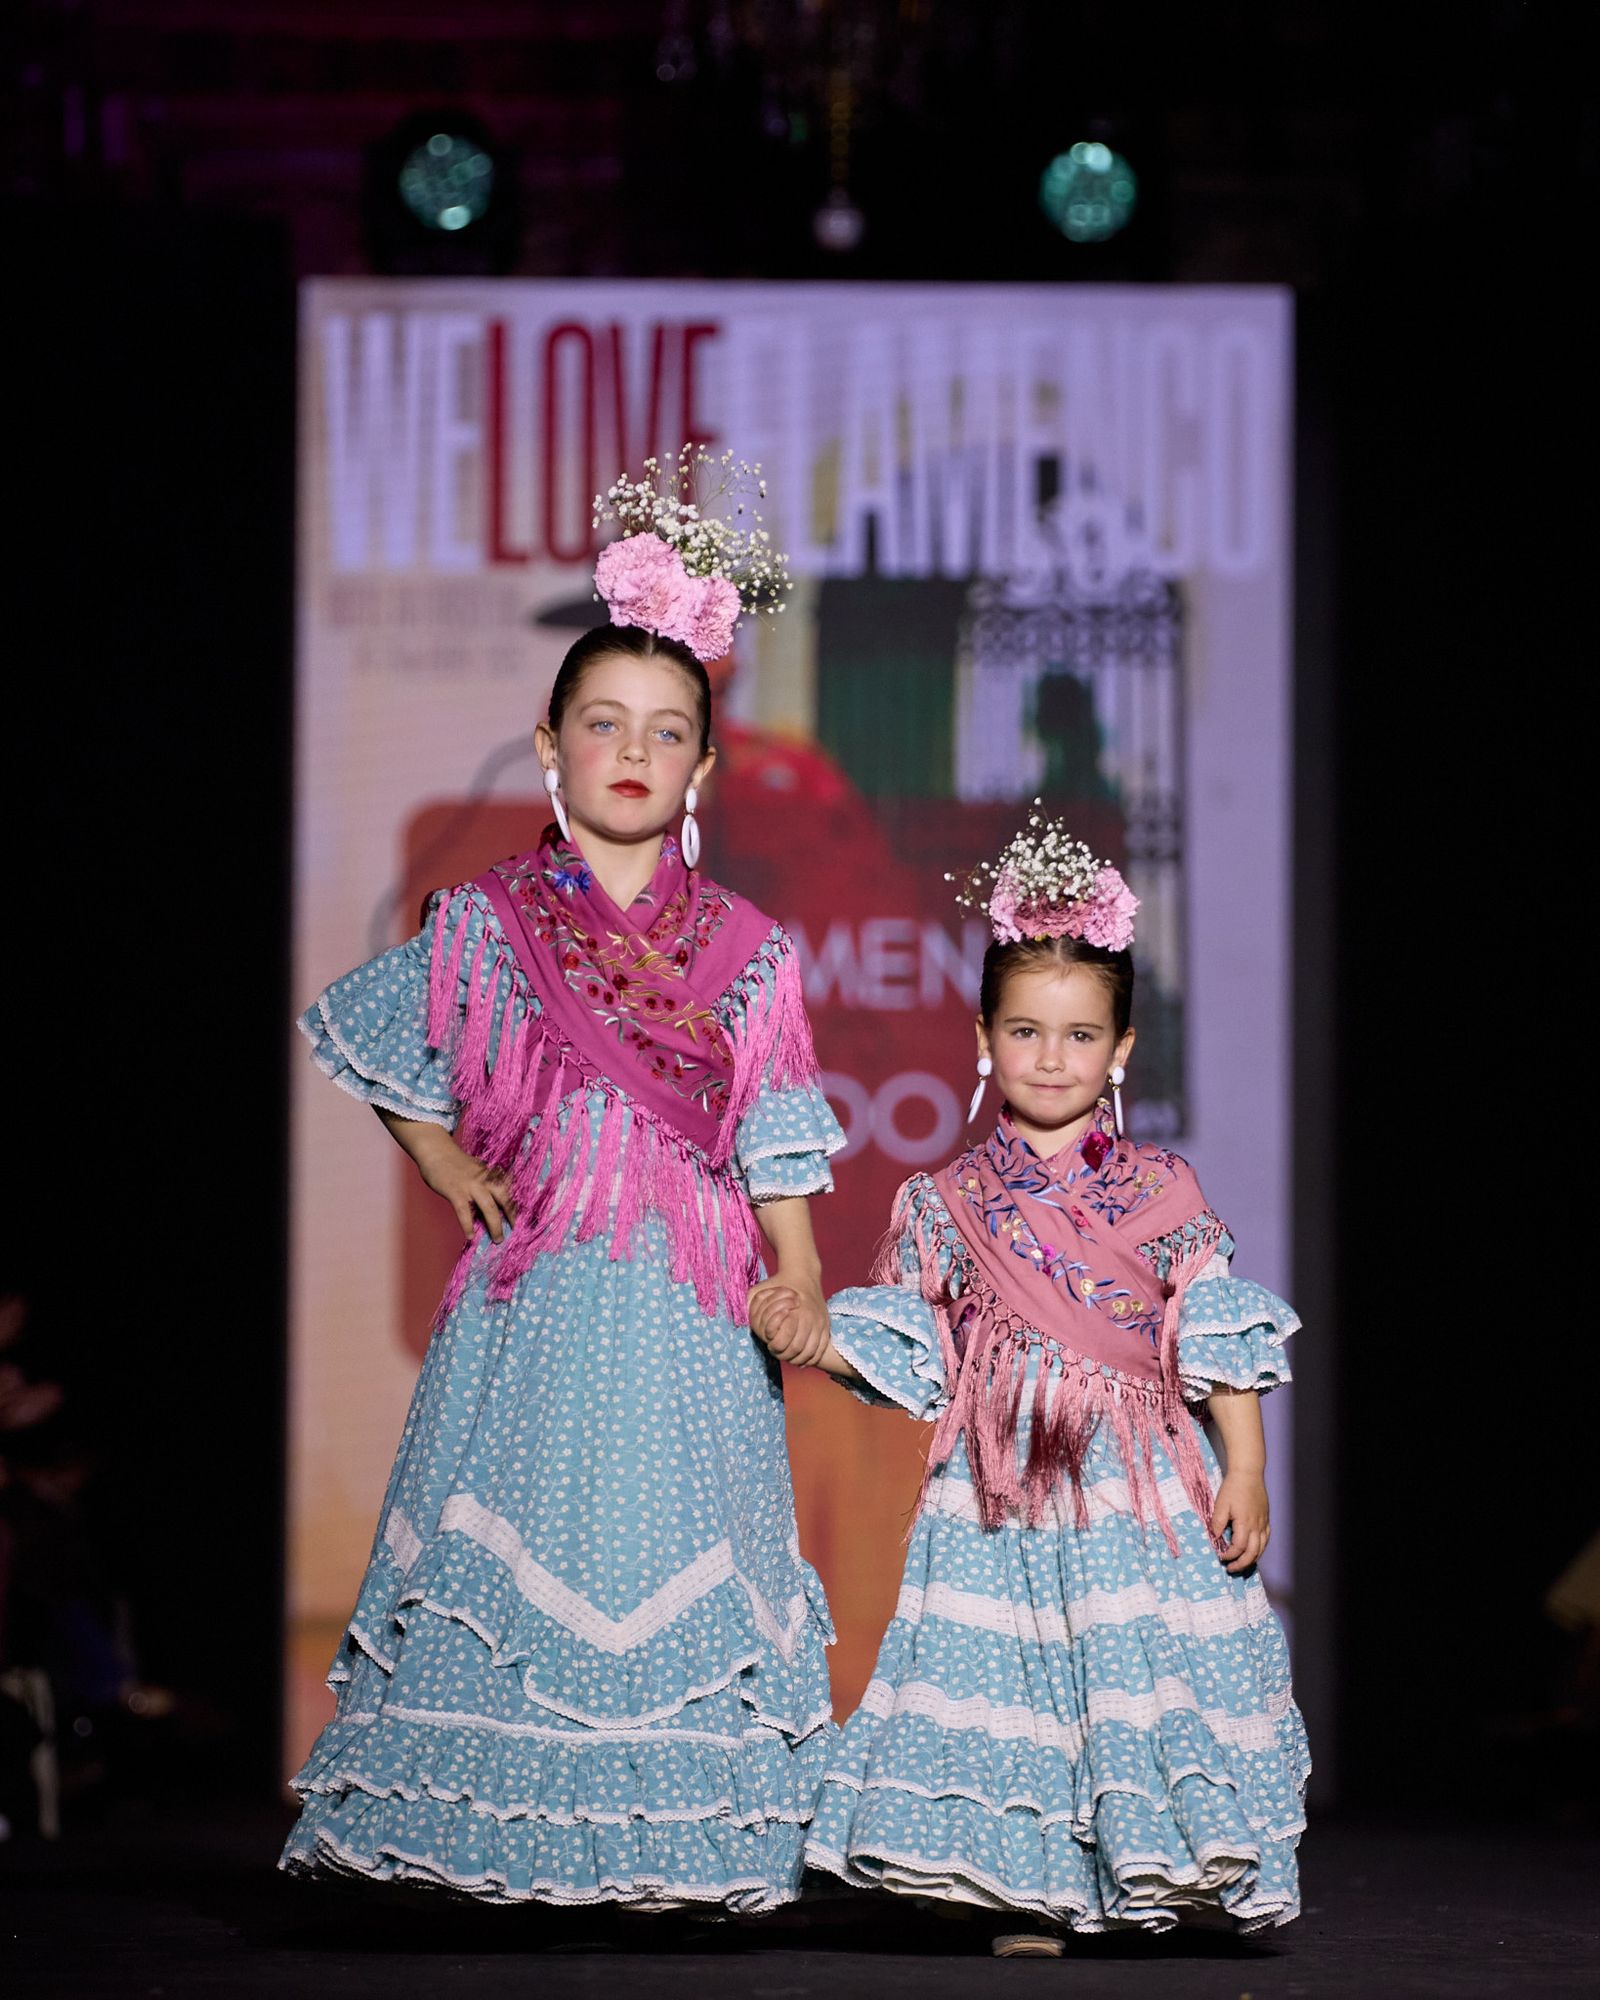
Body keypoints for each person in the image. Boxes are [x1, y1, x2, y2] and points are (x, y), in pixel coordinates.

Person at [281, 451, 845, 1911]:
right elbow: (372, 1034)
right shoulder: (485, 922)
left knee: (684, 1547)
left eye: (667, 730)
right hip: (535, 1305)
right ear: (550, 744)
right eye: (604, 722)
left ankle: (689, 1855)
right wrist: (441, 1146)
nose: (634, 750)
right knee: (516, 1554)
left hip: (694, 1305)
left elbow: (775, 1125)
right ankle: (477, 1851)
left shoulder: (750, 949)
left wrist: (796, 1269)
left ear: (706, 766)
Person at [750, 808, 1307, 1949]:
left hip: (1137, 1488)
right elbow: (910, 1336)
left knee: (1128, 1670)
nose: (1051, 1056)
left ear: (1120, 1048)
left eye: (1078, 1033)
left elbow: (1210, 1327)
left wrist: (1243, 1463)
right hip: (998, 1491)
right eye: (1026, 1030)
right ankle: (1027, 1887)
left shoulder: (1162, 1191)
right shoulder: (943, 1200)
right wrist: (817, 1340)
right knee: (1009, 1675)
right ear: (984, 1040)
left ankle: (1146, 1872)